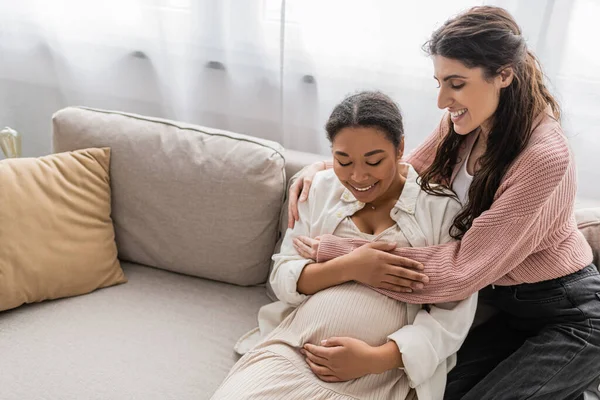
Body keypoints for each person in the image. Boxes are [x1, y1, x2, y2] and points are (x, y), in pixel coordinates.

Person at [288, 6, 600, 400]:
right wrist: (323, 170)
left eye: (455, 83)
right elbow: (403, 180)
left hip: (571, 315)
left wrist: (345, 254)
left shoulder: (544, 156)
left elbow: (462, 268)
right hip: (503, 306)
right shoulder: (463, 124)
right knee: (427, 391)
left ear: (504, 74)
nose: (441, 100)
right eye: (439, 82)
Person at [211, 91, 477, 400]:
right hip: (295, 351)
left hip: (380, 373)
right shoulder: (320, 189)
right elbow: (284, 275)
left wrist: (375, 359)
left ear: (401, 147)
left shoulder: (440, 209)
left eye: (374, 161)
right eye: (343, 160)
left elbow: (452, 318)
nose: (358, 175)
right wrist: (353, 267)